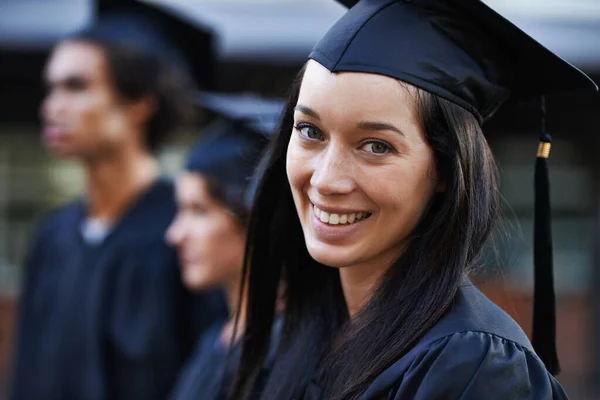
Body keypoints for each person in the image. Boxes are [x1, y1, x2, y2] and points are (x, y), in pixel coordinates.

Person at [229, 0, 598, 399]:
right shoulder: (302, 333)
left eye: (375, 145)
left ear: (444, 170)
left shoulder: (473, 366)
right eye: (310, 131)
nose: (326, 179)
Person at [10, 5, 227, 400]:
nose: (51, 108)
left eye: (76, 86)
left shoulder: (186, 232)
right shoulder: (52, 237)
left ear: (139, 103)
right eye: (51, 88)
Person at [165, 93, 283, 400]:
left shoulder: (290, 357)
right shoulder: (216, 342)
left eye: (198, 211)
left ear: (254, 217)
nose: (175, 235)